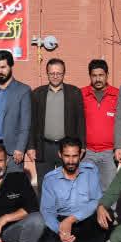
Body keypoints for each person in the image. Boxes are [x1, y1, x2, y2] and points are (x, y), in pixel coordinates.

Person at [40, 136, 107, 242]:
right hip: (62, 224)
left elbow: (96, 200)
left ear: (81, 154)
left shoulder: (90, 171)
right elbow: (47, 211)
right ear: (60, 155)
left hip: (84, 219)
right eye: (67, 156)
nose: (71, 161)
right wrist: (60, 230)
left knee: (105, 213)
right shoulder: (50, 179)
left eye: (75, 156)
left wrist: (71, 219)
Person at [30, 58, 85, 187]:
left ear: (64, 74)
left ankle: (66, 208)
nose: (55, 76)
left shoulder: (74, 93)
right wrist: (31, 147)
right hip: (44, 147)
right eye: (52, 73)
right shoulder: (37, 93)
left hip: (67, 147)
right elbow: (32, 122)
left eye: (58, 73)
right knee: (44, 183)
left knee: (68, 183)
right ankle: (45, 208)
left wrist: (82, 145)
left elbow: (80, 121)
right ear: (47, 73)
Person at [0, 50, 32, 173]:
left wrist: (20, 148)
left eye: (3, 67)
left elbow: (25, 123)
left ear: (10, 66)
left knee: (13, 186)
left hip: (12, 149)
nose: (0, 71)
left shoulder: (23, 90)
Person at [81, 60, 121, 198]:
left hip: (109, 153)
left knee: (109, 189)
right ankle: (89, 219)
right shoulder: (82, 94)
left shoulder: (117, 95)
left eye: (101, 75)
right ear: (89, 76)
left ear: (107, 75)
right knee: (87, 189)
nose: (98, 79)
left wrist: (118, 147)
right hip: (87, 152)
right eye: (94, 75)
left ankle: (110, 218)